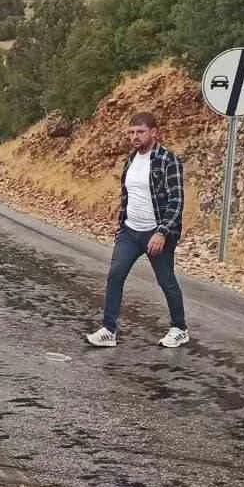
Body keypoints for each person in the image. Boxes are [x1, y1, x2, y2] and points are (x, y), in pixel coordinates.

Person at [86, 112, 190, 348]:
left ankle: (180, 328)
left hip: (157, 234)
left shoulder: (167, 160)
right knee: (115, 275)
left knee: (166, 281)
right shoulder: (131, 160)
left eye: (140, 132)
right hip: (130, 232)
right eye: (131, 132)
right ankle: (108, 330)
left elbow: (176, 201)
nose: (135, 137)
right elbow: (128, 196)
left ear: (154, 132)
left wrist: (162, 232)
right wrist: (121, 227)